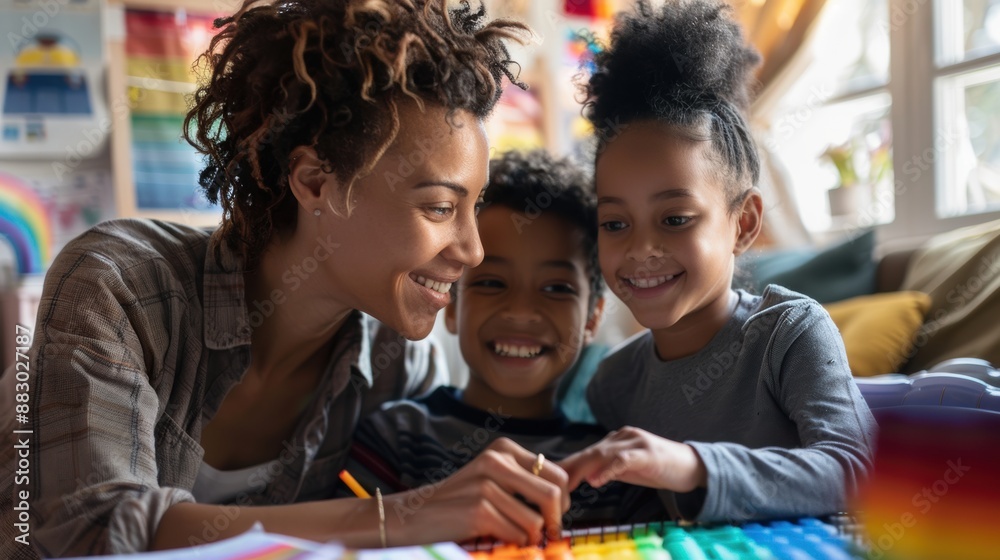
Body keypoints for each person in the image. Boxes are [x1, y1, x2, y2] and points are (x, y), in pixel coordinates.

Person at [0, 1, 572, 557]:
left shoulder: (398, 364)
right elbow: (91, 534)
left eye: (474, 207)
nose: (473, 251)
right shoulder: (121, 288)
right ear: (315, 182)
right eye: (441, 208)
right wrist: (398, 517)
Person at [559, 0, 878, 523]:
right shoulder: (613, 383)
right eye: (614, 223)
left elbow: (857, 472)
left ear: (744, 223)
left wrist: (691, 465)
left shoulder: (789, 334)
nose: (640, 249)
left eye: (675, 218)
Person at [346, 150, 627, 528]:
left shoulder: (610, 470)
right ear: (450, 306)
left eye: (556, 288)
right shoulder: (393, 439)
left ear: (592, 317)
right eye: (492, 283)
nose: (521, 311)